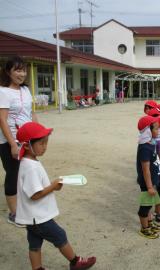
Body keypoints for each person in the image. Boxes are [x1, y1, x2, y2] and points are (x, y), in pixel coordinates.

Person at [16, 122, 96, 270]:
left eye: (46, 142)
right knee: (60, 236)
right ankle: (75, 262)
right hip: (39, 218)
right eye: (41, 143)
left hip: (32, 218)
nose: (45, 146)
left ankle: (37, 268)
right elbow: (35, 195)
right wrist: (53, 186)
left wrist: (53, 186)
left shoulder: (29, 162)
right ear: (27, 146)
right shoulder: (30, 167)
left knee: (34, 245)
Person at [0, 56, 38, 227]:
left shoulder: (26, 90)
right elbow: (2, 119)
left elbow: (32, 113)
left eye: (23, 70)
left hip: (26, 140)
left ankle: (25, 207)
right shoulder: (3, 92)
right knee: (13, 175)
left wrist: (38, 135)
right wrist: (13, 144)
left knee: (28, 173)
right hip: (9, 141)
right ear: (9, 72)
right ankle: (14, 213)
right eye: (17, 70)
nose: (21, 74)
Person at [136, 116, 160, 239]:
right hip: (148, 183)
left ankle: (150, 222)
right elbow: (145, 169)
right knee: (145, 206)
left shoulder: (151, 143)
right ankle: (144, 228)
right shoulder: (145, 148)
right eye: (156, 129)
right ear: (148, 131)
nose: (159, 131)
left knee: (151, 203)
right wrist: (149, 187)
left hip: (152, 180)